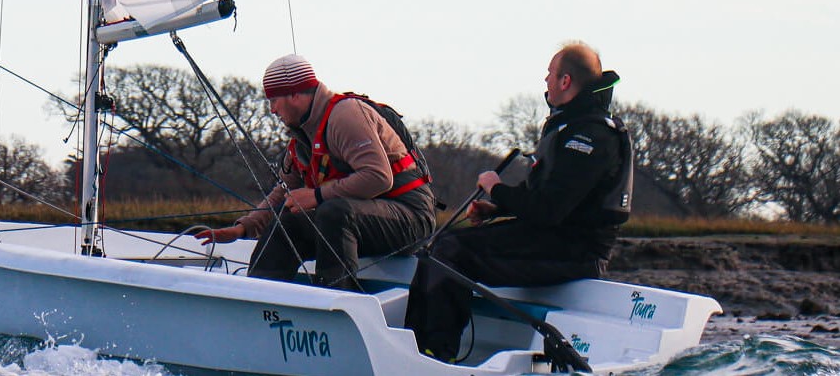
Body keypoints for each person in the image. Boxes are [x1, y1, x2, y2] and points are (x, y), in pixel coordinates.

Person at [404, 42, 634, 363]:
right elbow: (547, 197)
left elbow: (549, 210)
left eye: (550, 74)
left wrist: (496, 189)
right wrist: (497, 208)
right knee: (439, 248)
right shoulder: (571, 126)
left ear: (565, 81)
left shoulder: (588, 136)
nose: (546, 81)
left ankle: (434, 358)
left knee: (449, 253)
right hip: (552, 239)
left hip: (575, 252)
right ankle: (416, 349)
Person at [197, 54, 436, 289]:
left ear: (295, 94)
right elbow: (284, 193)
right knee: (288, 219)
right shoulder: (302, 137)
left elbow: (379, 177)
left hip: (410, 218)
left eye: (273, 100)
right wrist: (243, 228)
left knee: (333, 211)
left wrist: (317, 195)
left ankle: (335, 302)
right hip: (358, 220)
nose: (272, 110)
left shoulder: (345, 115)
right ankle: (258, 300)